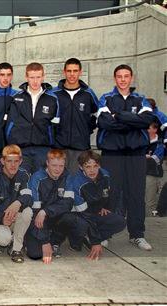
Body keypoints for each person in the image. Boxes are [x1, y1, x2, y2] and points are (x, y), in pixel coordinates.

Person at [96, 64, 156, 251]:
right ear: (115, 78)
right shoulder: (105, 98)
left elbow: (147, 120)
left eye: (126, 76)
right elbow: (105, 123)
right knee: (110, 194)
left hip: (136, 153)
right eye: (119, 76)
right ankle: (105, 233)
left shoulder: (141, 99)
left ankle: (137, 235)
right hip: (112, 153)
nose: (123, 79)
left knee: (136, 195)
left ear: (131, 78)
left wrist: (119, 116)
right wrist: (132, 121)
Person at [56, 150, 126, 260]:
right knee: (82, 225)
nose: (92, 170)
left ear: (99, 165)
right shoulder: (76, 183)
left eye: (95, 166)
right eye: (88, 166)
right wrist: (96, 241)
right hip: (79, 216)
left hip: (93, 211)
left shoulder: (105, 175)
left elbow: (107, 194)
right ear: (80, 167)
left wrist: (103, 206)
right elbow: (85, 214)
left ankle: (89, 237)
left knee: (120, 221)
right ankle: (76, 241)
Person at [6, 62, 60, 174]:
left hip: (43, 149)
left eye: (38, 77)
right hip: (21, 149)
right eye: (32, 77)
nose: (35, 81)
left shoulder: (52, 99)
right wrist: (12, 143)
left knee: (41, 181)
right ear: (26, 77)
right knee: (22, 182)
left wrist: (52, 144)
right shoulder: (17, 98)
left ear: (43, 77)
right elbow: (10, 124)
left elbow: (56, 125)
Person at [51, 58, 100, 173]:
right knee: (58, 182)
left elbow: (97, 114)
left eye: (75, 71)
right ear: (64, 72)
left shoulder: (88, 93)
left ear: (80, 72)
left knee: (77, 183)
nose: (72, 74)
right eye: (69, 71)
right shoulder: (54, 94)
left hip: (80, 147)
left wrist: (86, 130)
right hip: (58, 147)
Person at [25, 149, 73, 264]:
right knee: (35, 255)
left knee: (70, 218)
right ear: (47, 163)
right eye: (54, 165)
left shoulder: (68, 177)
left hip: (53, 215)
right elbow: (35, 212)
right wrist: (44, 241)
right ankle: (39, 241)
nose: (58, 169)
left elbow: (68, 203)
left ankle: (55, 242)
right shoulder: (37, 178)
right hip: (37, 220)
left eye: (61, 165)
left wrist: (45, 211)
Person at [0, 145, 33, 263]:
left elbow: (28, 197)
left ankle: (16, 249)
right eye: (9, 161)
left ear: (21, 161)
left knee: (28, 211)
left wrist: (18, 202)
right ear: (2, 161)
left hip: (15, 217)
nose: (13, 165)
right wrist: (2, 219)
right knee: (3, 239)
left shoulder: (24, 175)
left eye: (16, 161)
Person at [145, 122, 164, 216]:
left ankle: (153, 219)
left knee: (154, 200)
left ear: (155, 129)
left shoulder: (160, 143)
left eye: (148, 128)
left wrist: (148, 157)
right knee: (146, 200)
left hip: (156, 174)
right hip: (144, 174)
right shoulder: (143, 141)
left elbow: (156, 159)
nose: (146, 130)